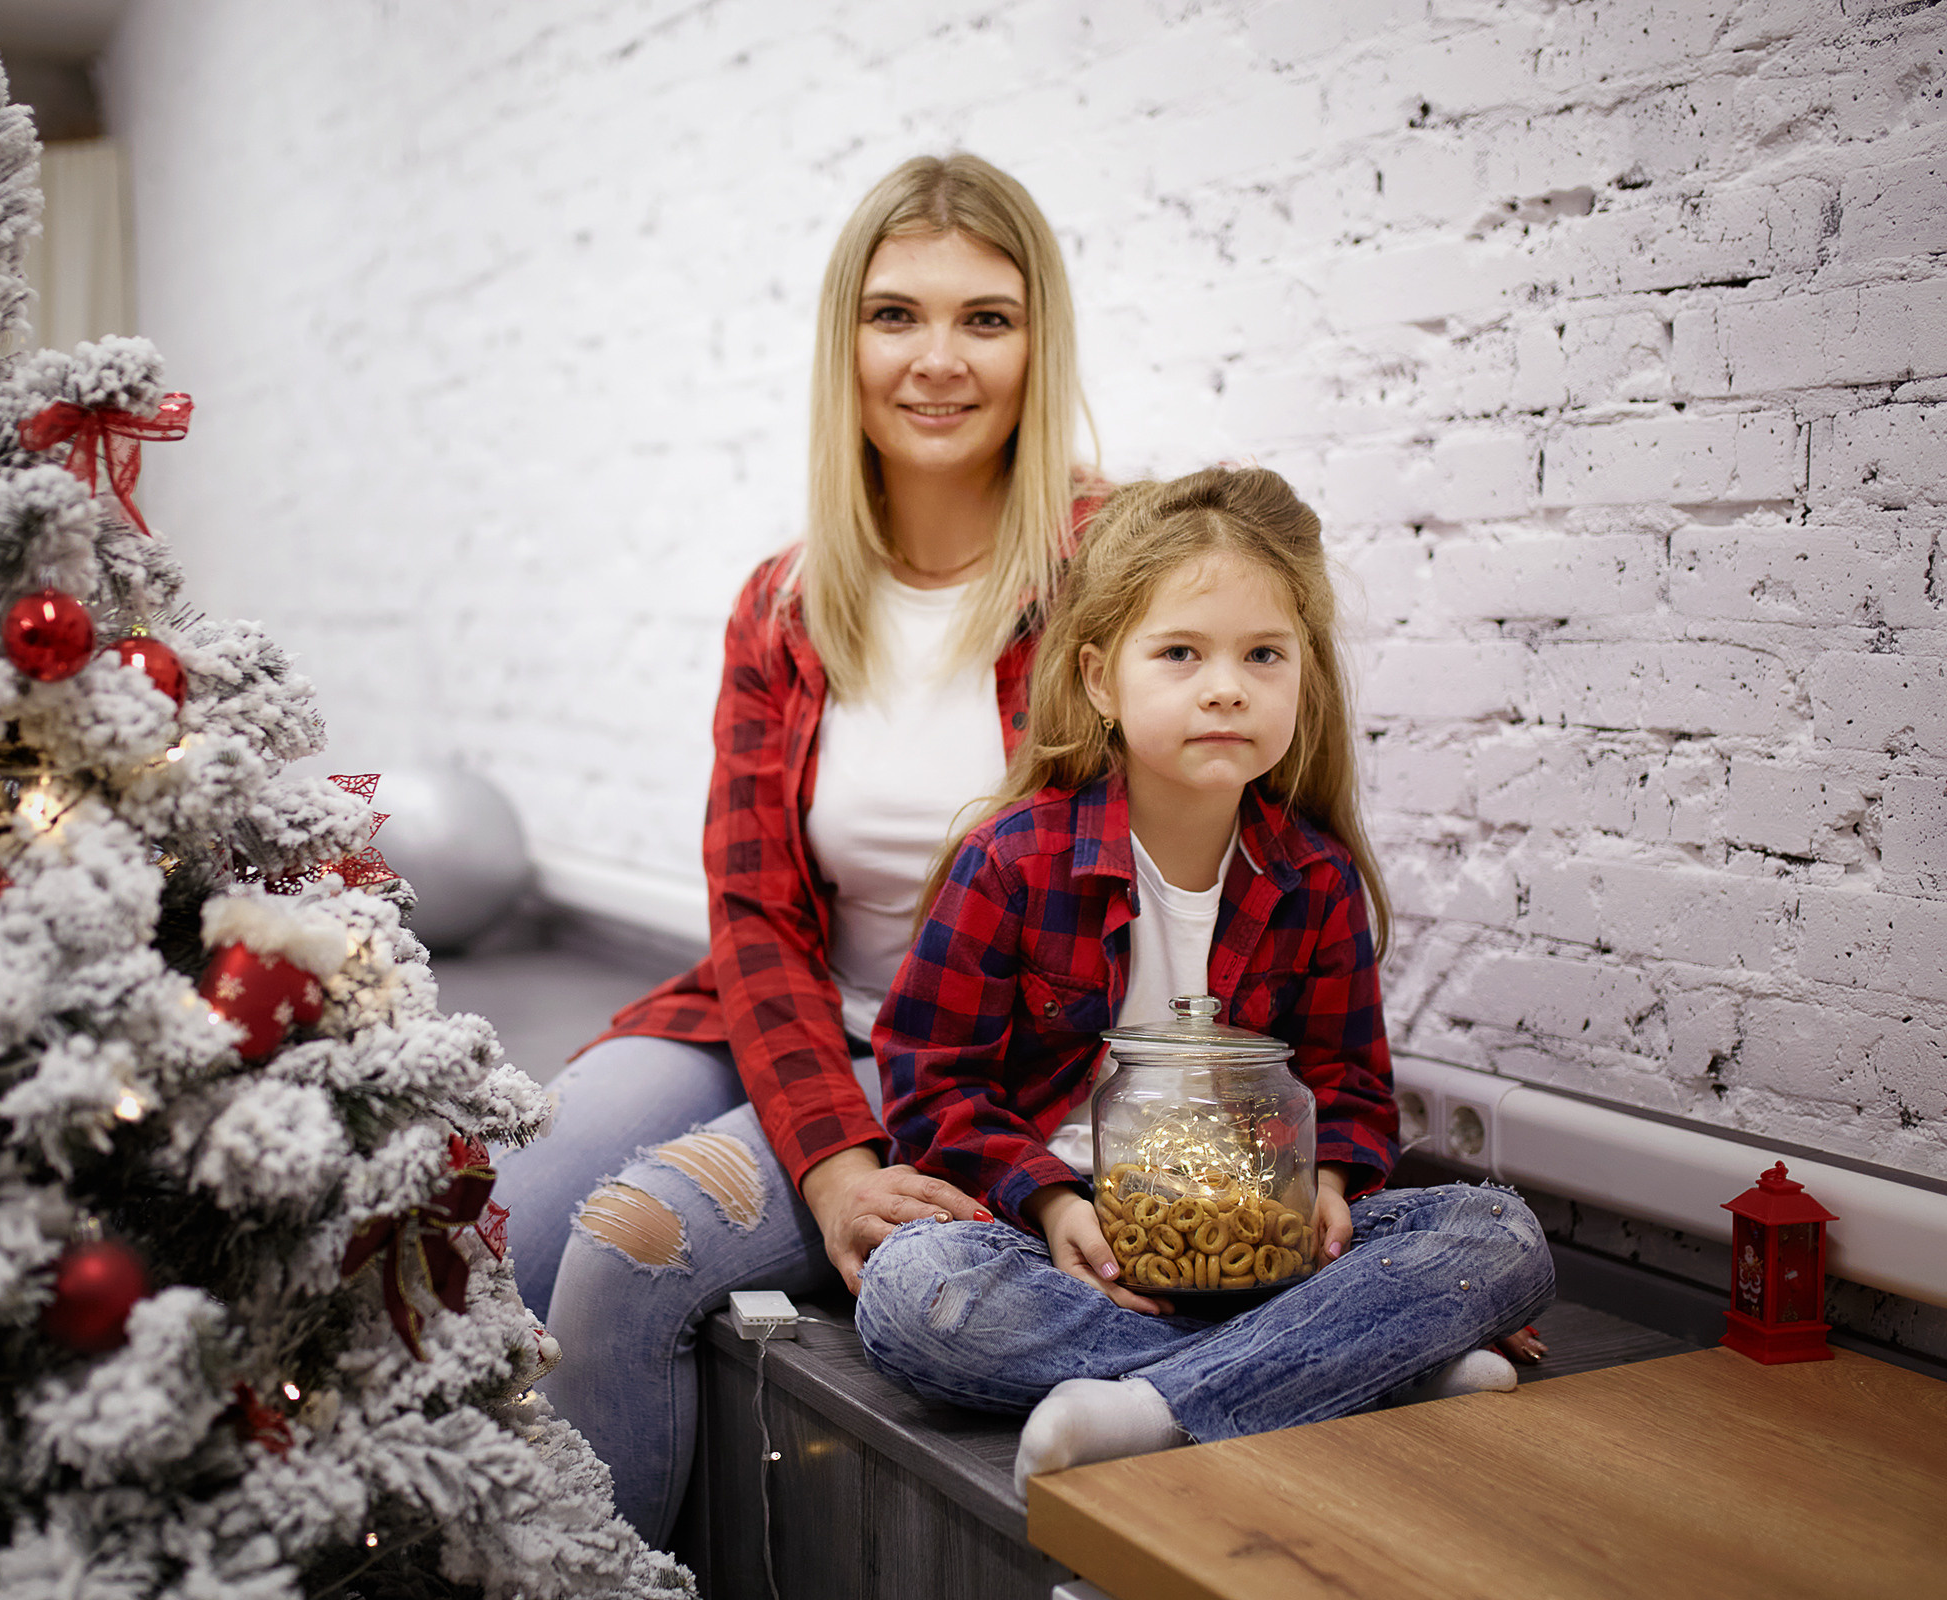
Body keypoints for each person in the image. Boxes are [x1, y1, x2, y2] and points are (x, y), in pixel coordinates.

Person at [493, 152, 1101, 1544]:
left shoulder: (1105, 574)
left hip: (977, 1054)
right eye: (895, 316)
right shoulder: (784, 600)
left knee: (625, 1248)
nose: (937, 360)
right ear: (846, 342)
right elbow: (755, 915)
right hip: (775, 1015)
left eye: (985, 318)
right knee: (506, 1206)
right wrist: (826, 1153)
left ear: (1036, 341)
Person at [851, 466, 1557, 1496]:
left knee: (1498, 1233)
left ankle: (1154, 1407)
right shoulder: (1011, 860)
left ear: (1302, 677)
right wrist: (1049, 1205)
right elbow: (928, 1086)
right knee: (915, 1294)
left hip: (1257, 1238)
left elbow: (1351, 1083)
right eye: (1180, 653)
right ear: (1100, 678)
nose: (1225, 685)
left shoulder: (1312, 876)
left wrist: (1322, 1185)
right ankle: (1347, 1363)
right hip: (1063, 1243)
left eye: (1262, 654)